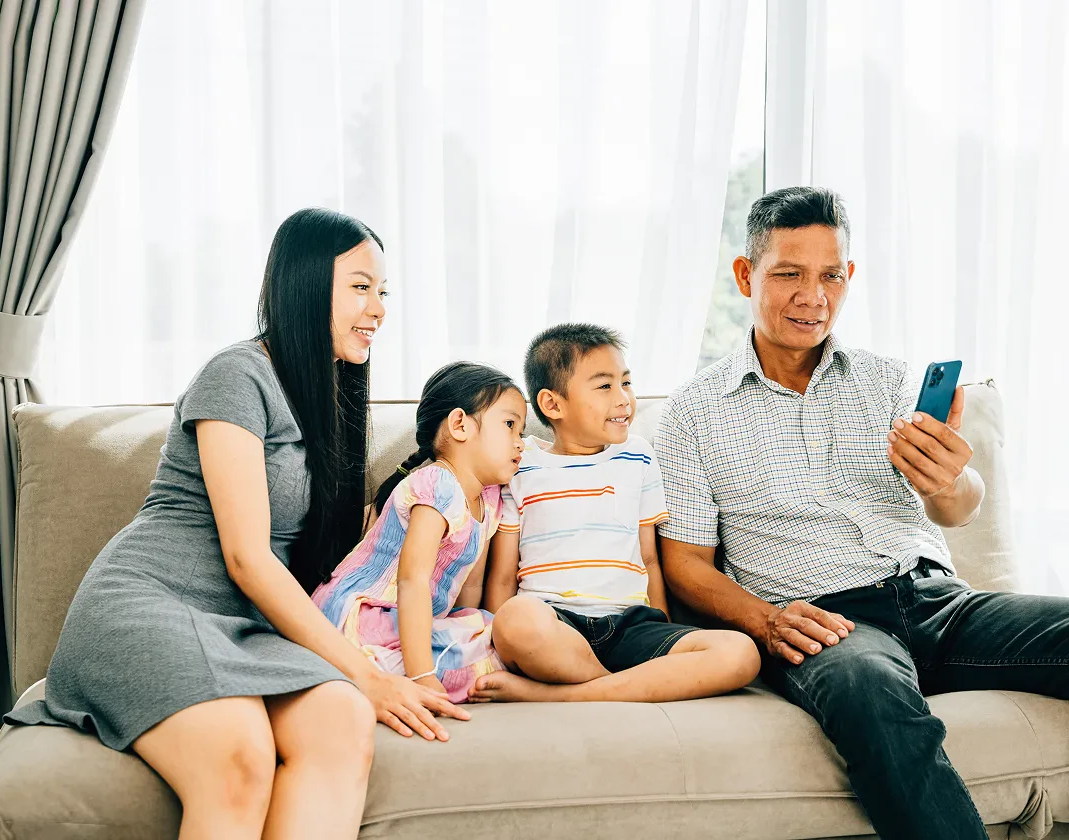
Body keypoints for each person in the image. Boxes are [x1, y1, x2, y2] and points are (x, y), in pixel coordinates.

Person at [5, 209, 468, 840]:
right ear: (305, 285)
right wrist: (366, 674)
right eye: (361, 287)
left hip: (244, 627)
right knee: (240, 756)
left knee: (341, 719)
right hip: (149, 604)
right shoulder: (238, 375)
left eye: (383, 291)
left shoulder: (332, 395)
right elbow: (247, 558)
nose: (379, 309)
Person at [656, 186, 1069, 840]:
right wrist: (767, 622)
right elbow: (684, 563)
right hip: (827, 623)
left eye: (831, 276)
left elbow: (959, 508)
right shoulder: (693, 414)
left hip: (938, 602)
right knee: (868, 689)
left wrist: (947, 481)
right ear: (745, 275)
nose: (812, 296)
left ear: (849, 277)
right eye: (788, 274)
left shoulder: (888, 381)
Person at [469, 324, 760, 703]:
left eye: (626, 383)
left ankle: (567, 695)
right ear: (552, 404)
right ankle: (623, 687)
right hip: (554, 623)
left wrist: (663, 629)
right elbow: (504, 576)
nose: (624, 399)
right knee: (515, 619)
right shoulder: (522, 466)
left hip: (632, 625)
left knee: (740, 652)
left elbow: (649, 559)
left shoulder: (637, 456)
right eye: (605, 386)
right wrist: (498, 645)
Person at [312, 362, 526, 705]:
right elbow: (412, 580)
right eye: (510, 425)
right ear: (460, 425)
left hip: (416, 619)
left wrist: (466, 632)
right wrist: (422, 675)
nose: (521, 443)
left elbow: (470, 587)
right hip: (366, 614)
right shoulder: (438, 484)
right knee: (470, 663)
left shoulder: (490, 500)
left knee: (487, 636)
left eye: (522, 431)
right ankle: (398, 672)